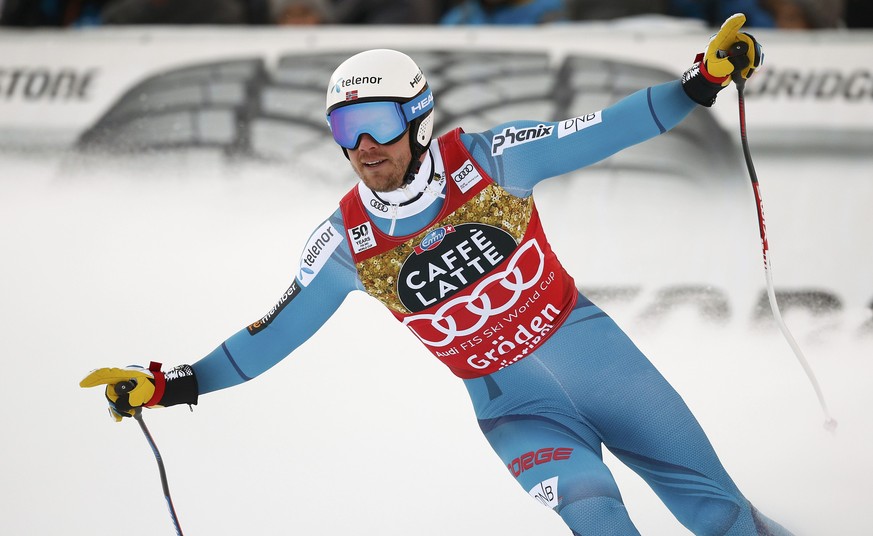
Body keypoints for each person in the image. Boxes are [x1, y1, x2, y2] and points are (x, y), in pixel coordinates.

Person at [81, 13, 793, 535]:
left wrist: (703, 81)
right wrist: (171, 384)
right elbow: (266, 338)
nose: (360, 146)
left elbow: (604, 126)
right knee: (592, 508)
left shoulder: (489, 160)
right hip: (517, 412)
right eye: (341, 128)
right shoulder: (343, 244)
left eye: (376, 122)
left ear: (418, 118)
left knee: (725, 519)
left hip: (610, 372)